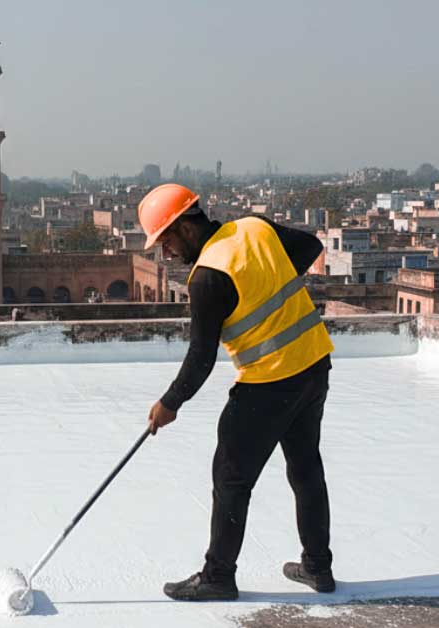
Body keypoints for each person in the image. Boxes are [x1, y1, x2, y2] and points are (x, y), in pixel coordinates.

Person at [138, 183, 336, 601]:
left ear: (185, 225)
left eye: (167, 240)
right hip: (314, 365)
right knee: (306, 469)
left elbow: (201, 357)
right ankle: (318, 567)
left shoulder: (208, 277)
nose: (166, 252)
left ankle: (217, 577)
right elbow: (310, 246)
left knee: (231, 479)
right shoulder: (254, 228)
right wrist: (269, 283)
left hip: (268, 383)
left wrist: (169, 403)